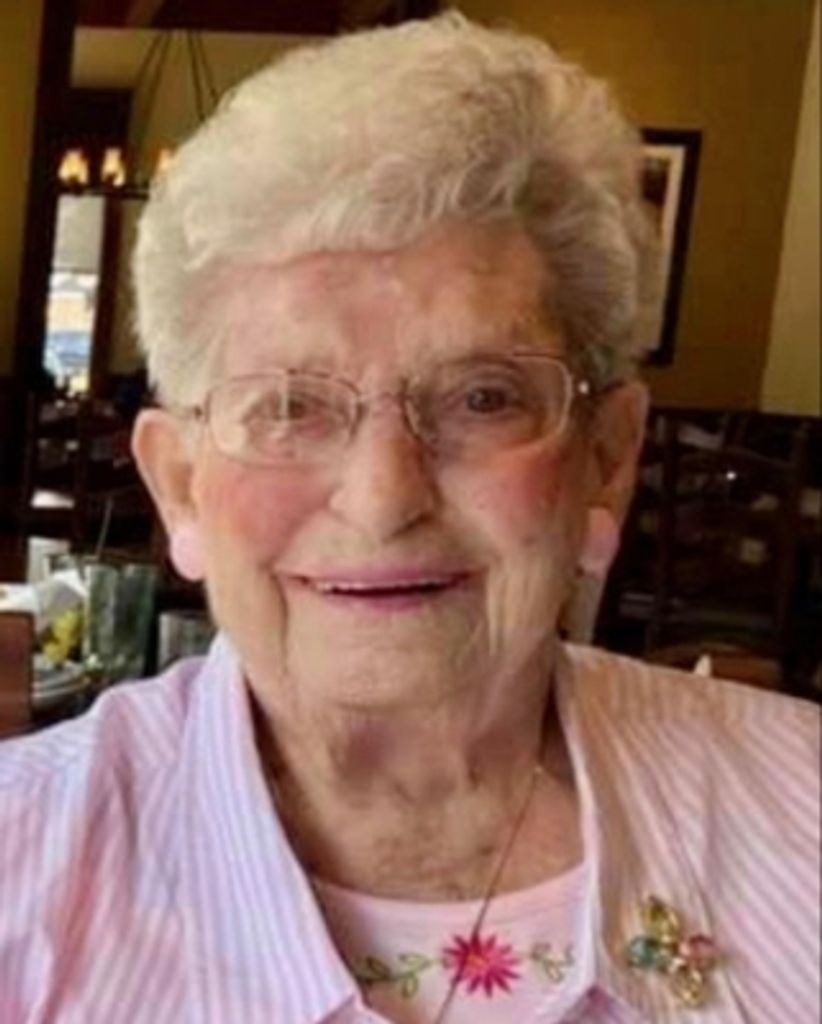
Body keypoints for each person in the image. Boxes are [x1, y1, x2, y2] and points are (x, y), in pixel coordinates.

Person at [0, 14, 818, 1024]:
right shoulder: (19, 868)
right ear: (179, 486)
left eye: (482, 398)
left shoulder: (805, 805)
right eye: (290, 406)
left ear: (606, 461)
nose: (384, 497)